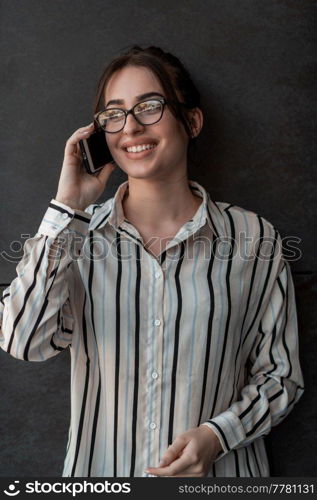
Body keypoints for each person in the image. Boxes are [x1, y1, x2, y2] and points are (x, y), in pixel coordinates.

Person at [0, 45, 304, 477]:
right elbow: (23, 342)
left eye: (149, 106)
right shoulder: (76, 239)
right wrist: (68, 207)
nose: (131, 127)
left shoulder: (255, 239)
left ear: (192, 121)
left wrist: (219, 436)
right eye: (114, 113)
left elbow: (281, 376)